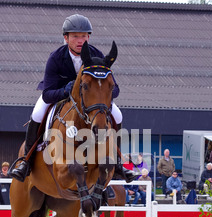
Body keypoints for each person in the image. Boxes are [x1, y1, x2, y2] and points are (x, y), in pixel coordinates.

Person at [10, 14, 137, 184]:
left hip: (91, 101)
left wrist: (102, 95)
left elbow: (115, 87)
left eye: (84, 36)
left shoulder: (97, 55)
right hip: (60, 96)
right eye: (75, 36)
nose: (80, 40)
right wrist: (66, 90)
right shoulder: (56, 58)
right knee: (38, 112)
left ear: (89, 37)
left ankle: (119, 162)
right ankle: (26, 160)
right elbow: (48, 93)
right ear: (66, 37)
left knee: (118, 115)